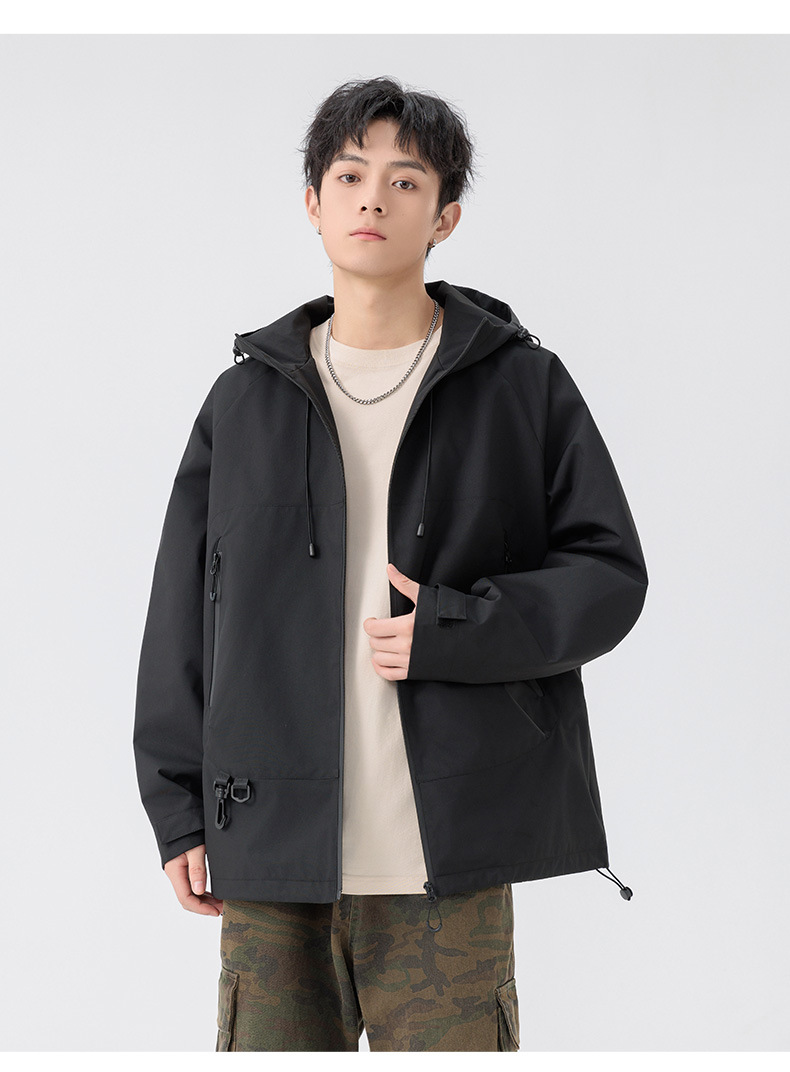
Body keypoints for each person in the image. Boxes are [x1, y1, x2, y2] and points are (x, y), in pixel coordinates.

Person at [133, 75, 648, 1052]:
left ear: (444, 216)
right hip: (271, 856)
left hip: (447, 861)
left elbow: (608, 574)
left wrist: (461, 629)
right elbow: (181, 617)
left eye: (405, 180)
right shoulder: (243, 404)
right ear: (313, 201)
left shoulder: (520, 386)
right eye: (350, 174)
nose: (373, 197)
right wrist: (177, 808)